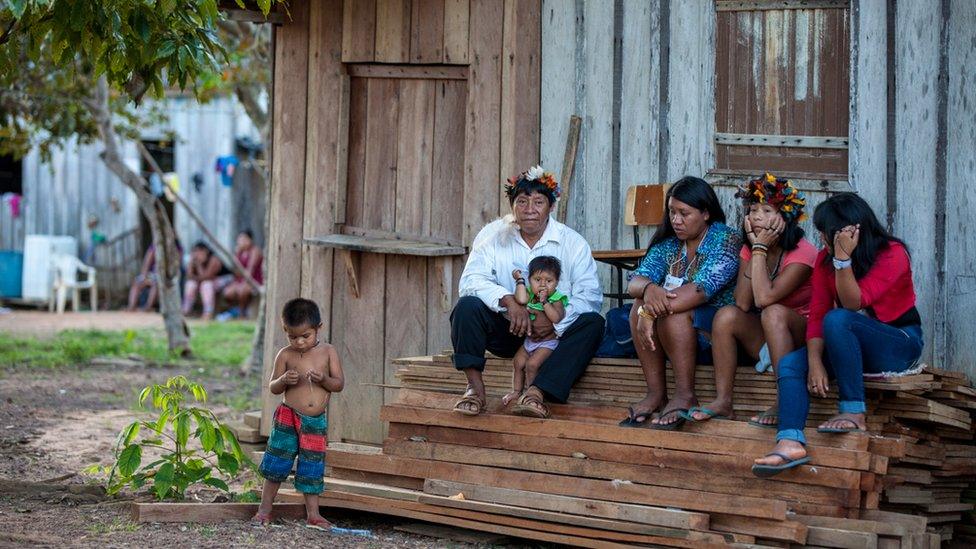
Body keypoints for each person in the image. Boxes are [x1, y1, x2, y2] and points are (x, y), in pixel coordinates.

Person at [752, 193, 923, 477]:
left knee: (839, 318)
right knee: (793, 364)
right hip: (849, 345)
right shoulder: (824, 259)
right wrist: (816, 361)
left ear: (851, 231)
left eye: (825, 233)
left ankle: (853, 410)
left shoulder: (892, 253)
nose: (821, 240)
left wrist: (843, 261)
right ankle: (790, 440)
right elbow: (817, 315)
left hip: (898, 343)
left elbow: (854, 302)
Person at [451, 165, 604, 419]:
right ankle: (474, 389)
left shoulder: (572, 242)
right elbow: (470, 280)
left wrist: (554, 321)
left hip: (553, 337)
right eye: (522, 201)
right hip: (511, 330)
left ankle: (537, 392)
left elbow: (590, 296)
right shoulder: (492, 236)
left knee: (594, 323)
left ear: (551, 206)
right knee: (467, 306)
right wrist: (508, 300)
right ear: (512, 205)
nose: (529, 209)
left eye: (538, 202)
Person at [686, 174, 817, 425]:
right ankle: (723, 400)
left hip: (804, 336)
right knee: (726, 315)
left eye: (767, 210)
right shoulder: (751, 247)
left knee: (773, 312)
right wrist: (757, 249)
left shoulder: (803, 253)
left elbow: (765, 298)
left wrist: (758, 248)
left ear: (785, 217)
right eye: (753, 209)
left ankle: (784, 400)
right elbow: (744, 303)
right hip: (769, 334)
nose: (757, 216)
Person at [622, 176, 740, 430]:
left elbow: (700, 291)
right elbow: (634, 281)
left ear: (706, 213)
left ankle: (685, 393)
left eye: (684, 213)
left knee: (663, 311)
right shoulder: (670, 245)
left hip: (717, 326)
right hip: (677, 318)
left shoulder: (726, 240)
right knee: (638, 305)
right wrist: (649, 288)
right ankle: (656, 393)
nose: (676, 220)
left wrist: (648, 311)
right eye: (672, 212)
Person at [253, 298, 344, 529]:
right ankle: (264, 510)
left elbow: (339, 384)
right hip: (287, 416)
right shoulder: (285, 355)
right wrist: (283, 380)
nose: (300, 342)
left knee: (311, 466)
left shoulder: (328, 352)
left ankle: (313, 514)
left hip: (314, 421)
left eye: (306, 336)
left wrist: (324, 379)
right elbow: (273, 387)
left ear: (318, 328)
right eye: (293, 337)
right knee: (276, 461)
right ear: (286, 331)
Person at [502, 256, 568, 406]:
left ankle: (533, 395)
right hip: (530, 341)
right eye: (537, 280)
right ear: (530, 279)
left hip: (547, 343)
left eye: (549, 281)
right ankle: (517, 391)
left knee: (532, 365)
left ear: (557, 282)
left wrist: (545, 302)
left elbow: (556, 318)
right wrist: (520, 280)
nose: (543, 285)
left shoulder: (556, 299)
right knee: (518, 363)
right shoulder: (530, 295)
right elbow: (520, 300)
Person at [181, 241, 232, 320]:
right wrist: (191, 263)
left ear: (206, 251)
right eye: (195, 252)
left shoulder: (214, 259)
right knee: (190, 284)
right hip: (206, 281)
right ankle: (186, 310)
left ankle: (208, 312)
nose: (197, 254)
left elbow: (207, 277)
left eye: (199, 251)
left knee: (206, 285)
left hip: (224, 279)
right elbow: (189, 276)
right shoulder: (194, 260)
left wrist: (198, 265)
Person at [221, 229, 264, 319]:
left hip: (253, 281)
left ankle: (241, 313)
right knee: (227, 292)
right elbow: (235, 271)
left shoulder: (255, 251)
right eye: (240, 240)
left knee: (242, 291)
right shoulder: (239, 252)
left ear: (250, 240)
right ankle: (234, 311)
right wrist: (236, 254)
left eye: (244, 240)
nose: (241, 242)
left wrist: (244, 283)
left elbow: (250, 270)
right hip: (240, 280)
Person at [127, 245, 158, 312]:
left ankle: (148, 307)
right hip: (152, 275)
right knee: (137, 282)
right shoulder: (154, 247)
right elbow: (146, 263)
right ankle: (131, 307)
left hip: (164, 277)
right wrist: (144, 276)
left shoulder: (177, 247)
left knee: (156, 284)